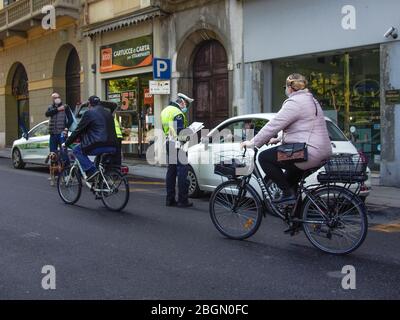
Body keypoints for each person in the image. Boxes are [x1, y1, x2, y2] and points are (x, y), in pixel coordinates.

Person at [241, 73, 332, 205]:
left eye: (285, 86)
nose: (285, 89)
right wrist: (277, 139)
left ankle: (288, 194)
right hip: (321, 151)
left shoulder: (295, 102)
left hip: (308, 152)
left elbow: (274, 124)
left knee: (264, 158)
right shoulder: (311, 100)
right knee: (290, 182)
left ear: (290, 87)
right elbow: (301, 128)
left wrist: (253, 142)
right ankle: (297, 219)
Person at [64, 96, 117, 182]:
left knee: (77, 150)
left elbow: (78, 131)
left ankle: (91, 171)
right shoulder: (108, 113)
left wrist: (67, 143)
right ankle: (100, 185)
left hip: (98, 144)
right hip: (112, 146)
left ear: (89, 104)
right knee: (99, 165)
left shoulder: (89, 113)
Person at [161, 93, 194, 208]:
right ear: (182, 102)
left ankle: (169, 199)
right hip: (178, 144)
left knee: (171, 171)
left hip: (169, 143)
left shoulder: (165, 111)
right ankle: (182, 200)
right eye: (187, 105)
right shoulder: (177, 113)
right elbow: (180, 133)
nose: (186, 108)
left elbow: (167, 130)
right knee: (182, 171)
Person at [45, 93, 73, 180]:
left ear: (60, 98)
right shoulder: (51, 107)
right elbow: (47, 114)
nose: (55, 99)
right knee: (53, 154)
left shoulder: (65, 107)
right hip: (53, 134)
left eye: (57, 97)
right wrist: (57, 109)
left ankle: (67, 174)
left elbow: (71, 119)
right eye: (54, 98)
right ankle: (56, 174)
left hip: (61, 134)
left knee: (64, 154)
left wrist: (66, 128)